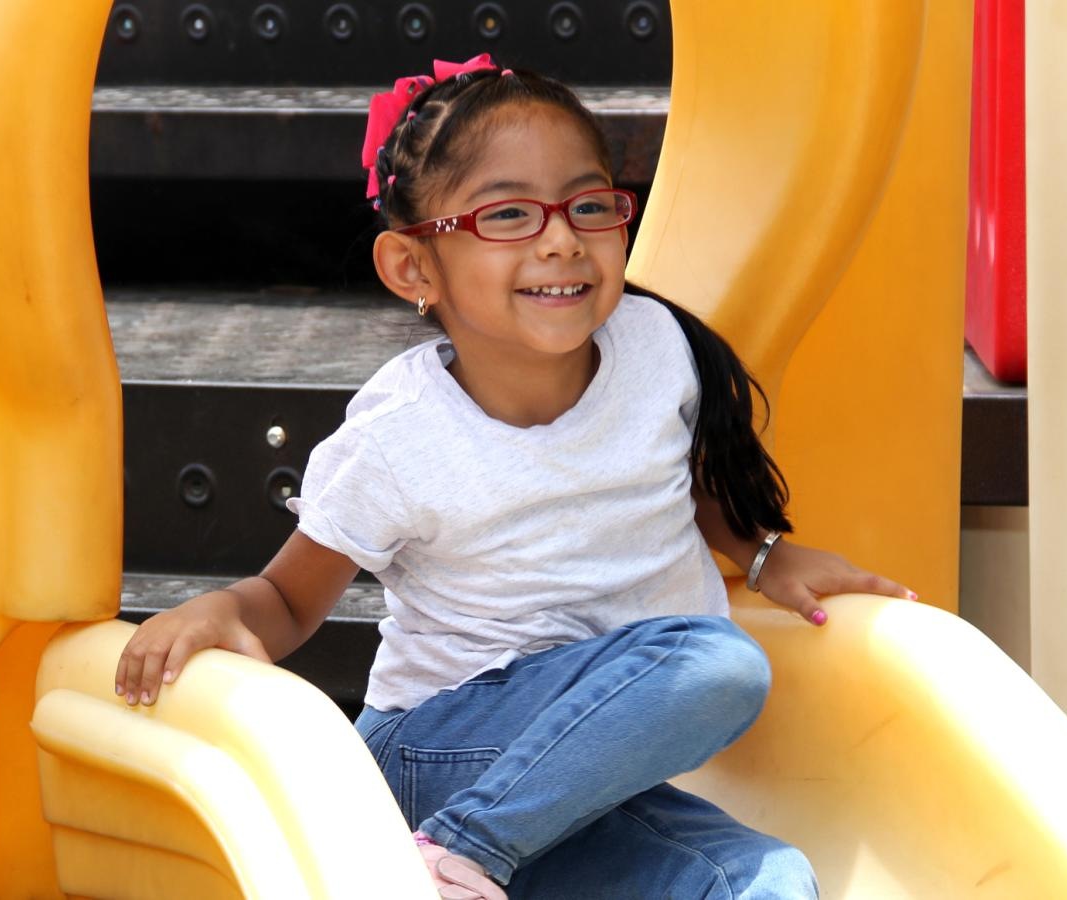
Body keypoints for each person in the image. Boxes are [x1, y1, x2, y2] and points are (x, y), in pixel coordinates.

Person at [114, 54, 918, 900]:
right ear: (412, 269)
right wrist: (221, 609)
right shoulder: (400, 435)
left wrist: (761, 555)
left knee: (767, 882)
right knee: (719, 666)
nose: (562, 237)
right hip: (439, 757)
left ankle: (473, 864)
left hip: (585, 778)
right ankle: (455, 858)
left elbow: (683, 487)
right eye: (508, 215)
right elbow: (287, 601)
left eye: (589, 203)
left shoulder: (655, 349)